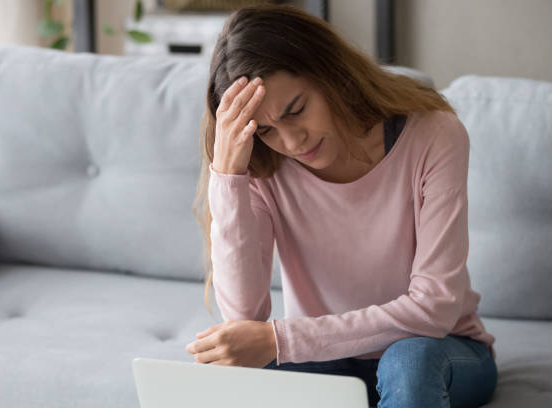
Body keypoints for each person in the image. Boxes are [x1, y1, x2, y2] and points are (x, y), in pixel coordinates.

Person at [185, 4, 498, 407]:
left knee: (408, 362)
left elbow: (433, 308)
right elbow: (245, 316)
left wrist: (283, 339)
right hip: (326, 358)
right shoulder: (262, 167)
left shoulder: (434, 134)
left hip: (440, 350)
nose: (293, 142)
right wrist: (228, 174)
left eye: (295, 110)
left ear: (330, 73)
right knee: (226, 368)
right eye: (265, 130)